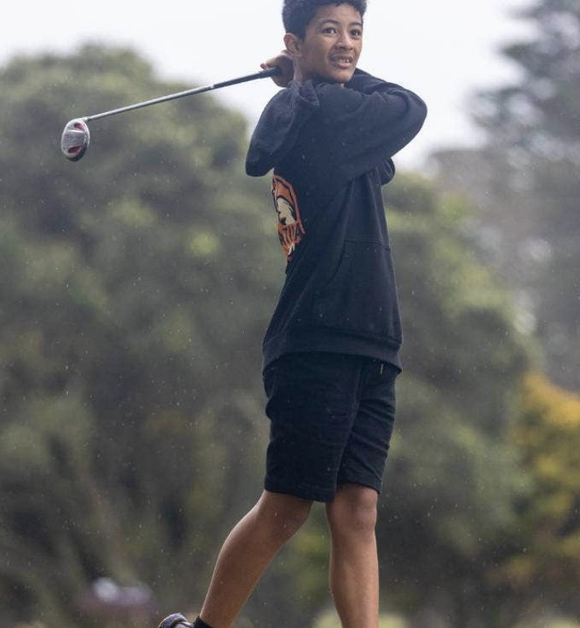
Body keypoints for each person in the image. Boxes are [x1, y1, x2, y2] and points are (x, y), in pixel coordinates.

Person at [158, 3, 425, 628]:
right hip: (317, 339)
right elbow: (410, 108)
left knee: (357, 507)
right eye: (329, 31)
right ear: (293, 42)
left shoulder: (322, 109)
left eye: (356, 32)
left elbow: (384, 142)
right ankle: (205, 627)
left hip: (370, 340)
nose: (347, 44)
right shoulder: (326, 113)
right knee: (286, 507)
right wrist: (307, 81)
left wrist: (304, 75)